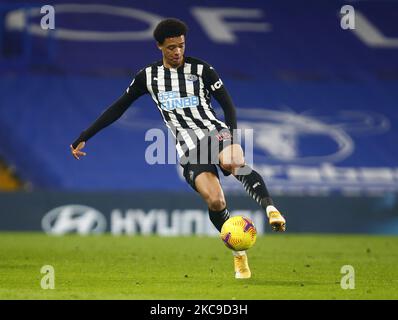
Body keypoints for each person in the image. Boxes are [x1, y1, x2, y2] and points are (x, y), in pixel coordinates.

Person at [70, 18, 286, 279]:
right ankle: (238, 254)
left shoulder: (202, 69)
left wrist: (234, 139)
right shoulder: (148, 77)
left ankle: (270, 208)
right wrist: (85, 135)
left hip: (214, 132)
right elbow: (118, 108)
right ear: (159, 46)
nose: (177, 52)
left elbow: (228, 105)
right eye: (171, 47)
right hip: (188, 149)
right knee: (216, 201)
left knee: (232, 161)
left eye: (181, 46)